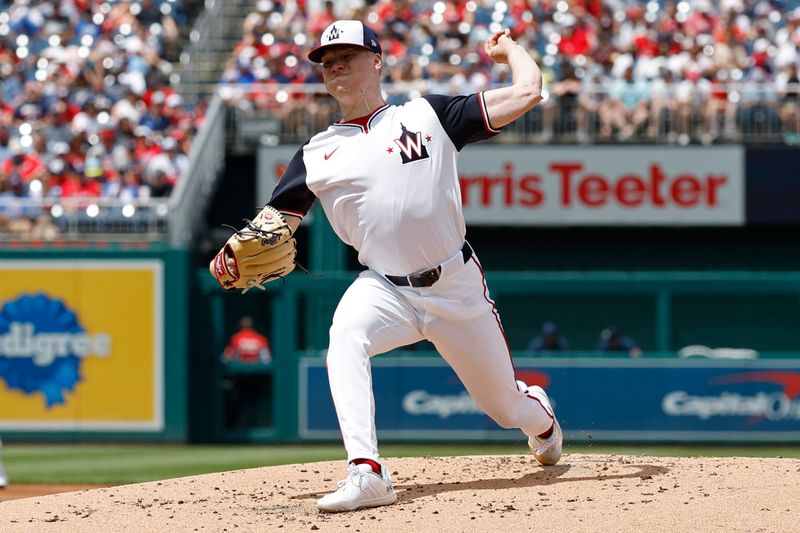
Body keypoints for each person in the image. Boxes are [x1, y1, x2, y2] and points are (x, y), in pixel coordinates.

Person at [210, 20, 562, 513]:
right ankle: (367, 472)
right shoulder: (316, 154)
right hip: (385, 288)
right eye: (328, 60)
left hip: (455, 283)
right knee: (344, 336)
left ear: (377, 61)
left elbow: (529, 91)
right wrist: (229, 256)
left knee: (505, 408)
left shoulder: (428, 114)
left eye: (347, 56)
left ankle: (540, 418)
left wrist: (512, 50)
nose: (335, 65)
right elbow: (271, 225)